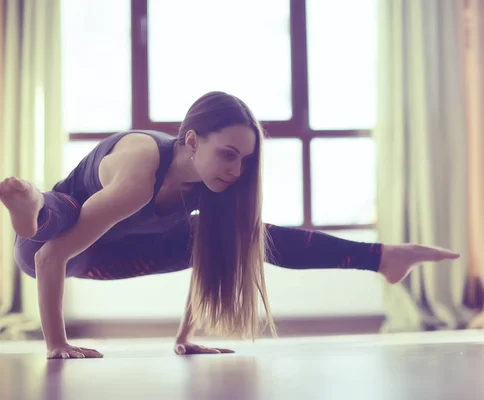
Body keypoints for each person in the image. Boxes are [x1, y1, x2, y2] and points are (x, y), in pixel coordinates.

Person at [0, 91, 460, 359]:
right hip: (43, 248)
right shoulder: (141, 168)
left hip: (105, 256)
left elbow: (211, 254)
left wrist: (185, 339)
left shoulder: (211, 186)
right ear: (193, 140)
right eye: (228, 154)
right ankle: (31, 205)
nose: (236, 170)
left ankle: (384, 257)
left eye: (244, 159)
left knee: (241, 235)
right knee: (64, 214)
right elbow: (49, 257)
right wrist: (57, 345)